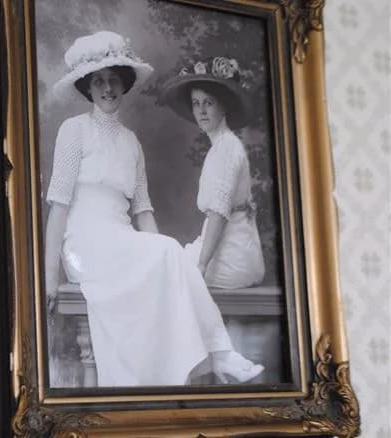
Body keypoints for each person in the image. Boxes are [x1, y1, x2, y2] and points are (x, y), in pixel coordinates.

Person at [46, 31, 263, 386]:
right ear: (87, 87)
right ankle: (222, 354)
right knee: (167, 252)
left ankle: (214, 356)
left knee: (168, 250)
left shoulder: (131, 142)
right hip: (84, 246)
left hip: (121, 240)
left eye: (114, 79)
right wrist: (49, 279)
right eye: (98, 81)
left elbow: (143, 210)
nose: (108, 88)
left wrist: (159, 254)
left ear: (124, 83)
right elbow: (58, 207)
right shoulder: (74, 131)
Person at [163, 57, 265, 289]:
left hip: (233, 259)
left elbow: (218, 214)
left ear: (224, 106)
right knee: (165, 260)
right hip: (236, 253)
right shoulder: (222, 146)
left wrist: (200, 265)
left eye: (208, 102)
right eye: (196, 103)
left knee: (164, 269)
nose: (201, 110)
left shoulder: (227, 148)